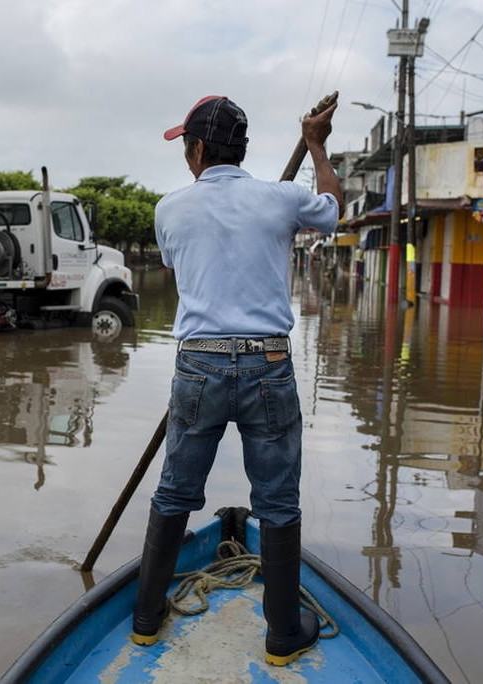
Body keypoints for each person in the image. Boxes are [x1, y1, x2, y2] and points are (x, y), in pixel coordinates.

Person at [131, 95, 344, 667]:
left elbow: (184, 269)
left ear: (199, 149)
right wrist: (317, 145)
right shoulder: (283, 199)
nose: (184, 156)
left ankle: (147, 619)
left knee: (174, 491)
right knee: (276, 502)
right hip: (266, 363)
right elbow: (332, 208)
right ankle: (281, 635)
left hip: (198, 363)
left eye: (185, 147)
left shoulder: (169, 209)